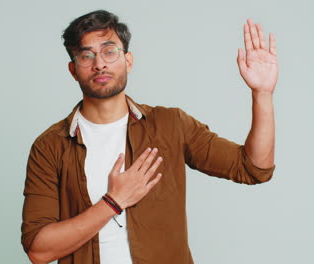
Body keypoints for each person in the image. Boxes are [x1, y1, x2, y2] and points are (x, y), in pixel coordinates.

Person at [21, 9, 277, 264]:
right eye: (86, 55)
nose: (99, 63)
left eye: (109, 51)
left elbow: (253, 167)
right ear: (73, 70)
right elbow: (39, 250)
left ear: (128, 60)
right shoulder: (50, 146)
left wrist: (262, 94)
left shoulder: (170, 125)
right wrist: (112, 202)